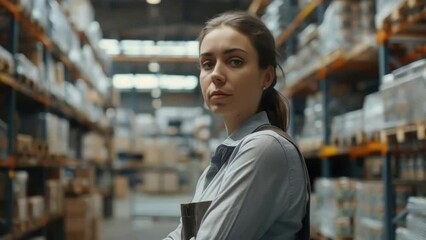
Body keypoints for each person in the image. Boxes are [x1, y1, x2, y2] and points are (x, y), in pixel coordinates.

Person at [164, 11, 310, 240]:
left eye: (235, 61)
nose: (216, 75)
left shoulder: (264, 148)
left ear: (267, 77)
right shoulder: (223, 160)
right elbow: (181, 234)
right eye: (207, 64)